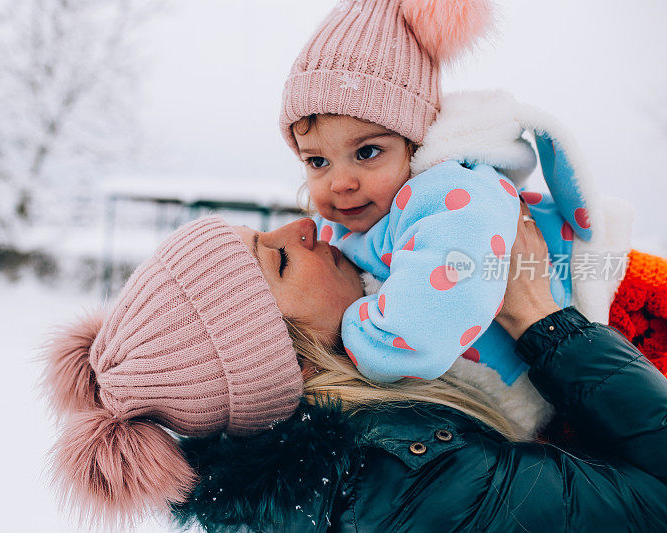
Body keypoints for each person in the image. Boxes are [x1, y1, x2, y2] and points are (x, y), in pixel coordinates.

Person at [42, 212, 667, 531]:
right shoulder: (405, 487)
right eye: (281, 260)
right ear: (292, 352)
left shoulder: (357, 473)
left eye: (265, 233)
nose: (305, 228)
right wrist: (546, 324)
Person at [276, 0, 667, 436]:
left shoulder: (451, 195)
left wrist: (361, 340)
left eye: (366, 153)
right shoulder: (353, 223)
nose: (340, 183)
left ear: (415, 144)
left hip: (623, 318)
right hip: (566, 369)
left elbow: (426, 325)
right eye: (316, 161)